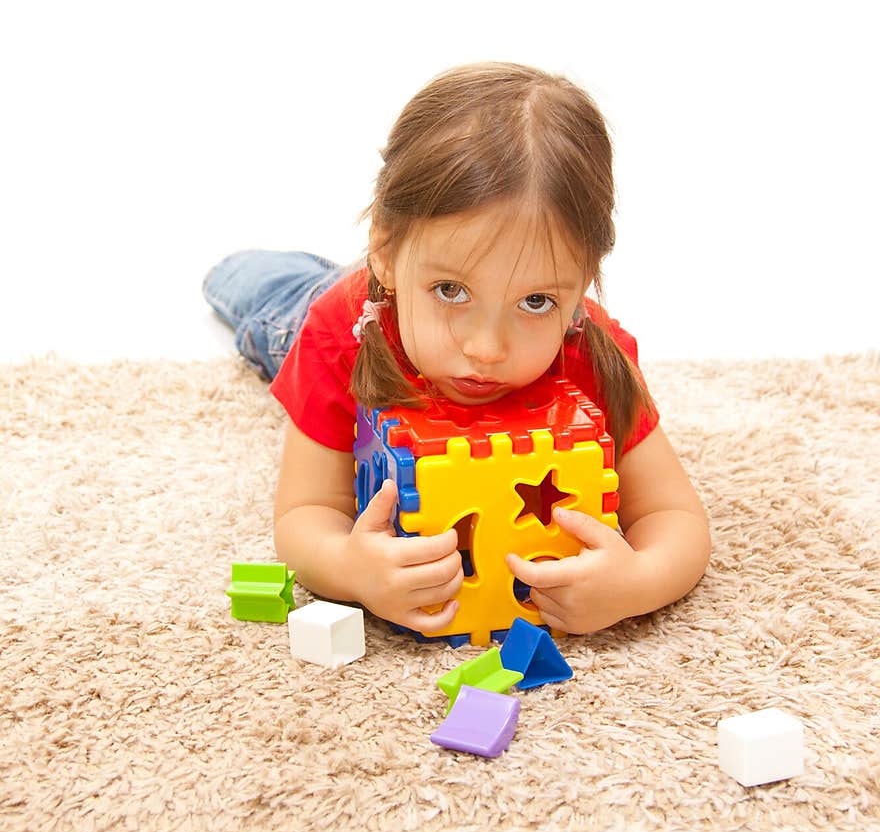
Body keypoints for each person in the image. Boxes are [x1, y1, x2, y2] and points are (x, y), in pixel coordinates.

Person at [203, 61, 711, 637]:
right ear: (387, 254)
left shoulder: (591, 350)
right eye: (452, 291)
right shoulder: (334, 335)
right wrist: (349, 567)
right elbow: (304, 515)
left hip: (396, 288)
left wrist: (638, 582)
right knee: (260, 290)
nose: (486, 347)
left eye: (537, 301)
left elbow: (675, 517)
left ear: (583, 284)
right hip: (331, 308)